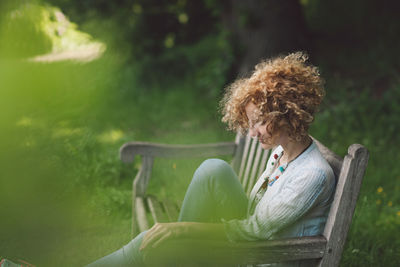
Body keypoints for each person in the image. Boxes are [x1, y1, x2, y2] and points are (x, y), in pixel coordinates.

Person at [2, 52, 335, 267]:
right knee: (214, 169)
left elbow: (255, 232)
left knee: (159, 244)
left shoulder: (313, 174)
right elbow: (256, 213)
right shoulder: (281, 150)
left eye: (260, 121)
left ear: (290, 114)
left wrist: (180, 229)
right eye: (249, 123)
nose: (253, 133)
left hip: (266, 256)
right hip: (257, 239)